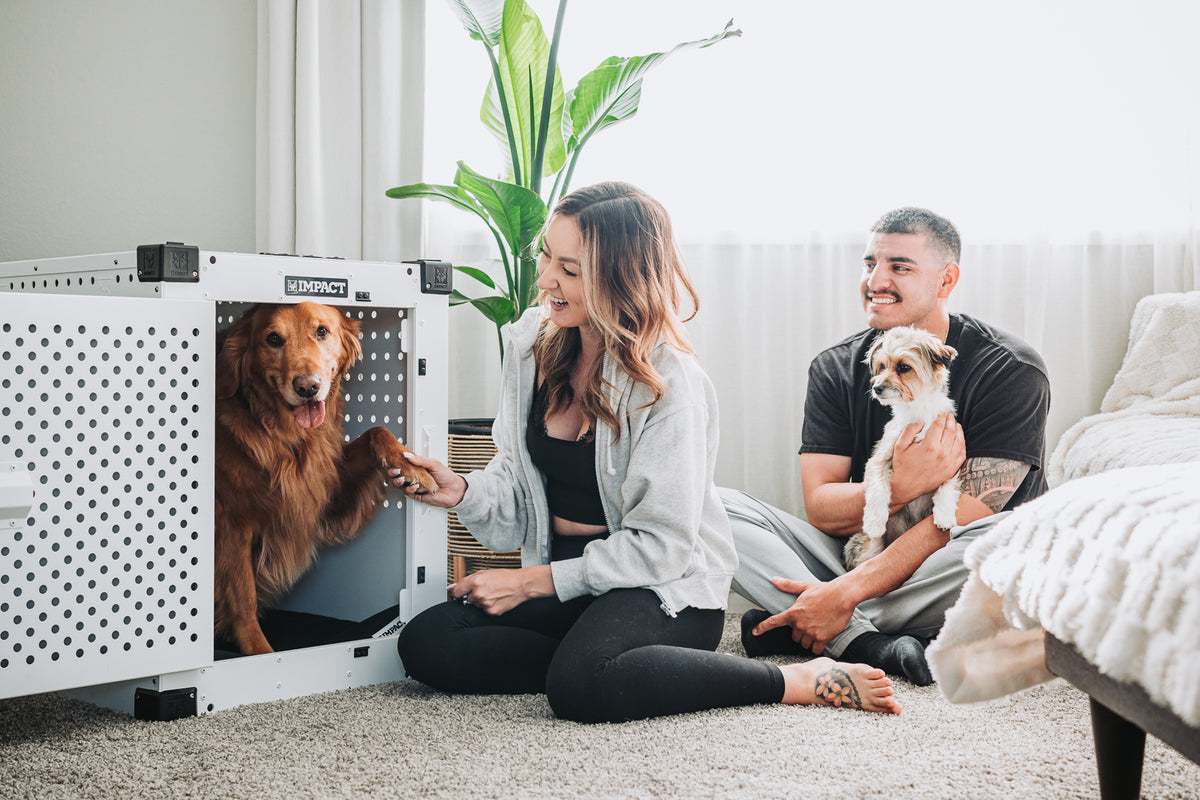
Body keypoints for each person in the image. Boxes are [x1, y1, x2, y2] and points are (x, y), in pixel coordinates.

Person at [392, 181, 900, 722]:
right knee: (428, 643)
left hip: (659, 587)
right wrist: (463, 489)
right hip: (570, 580)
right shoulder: (530, 345)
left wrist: (525, 583)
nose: (545, 281)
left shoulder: (669, 382)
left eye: (570, 269)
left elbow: (662, 548)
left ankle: (789, 679)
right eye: (546, 255)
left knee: (579, 689)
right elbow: (519, 480)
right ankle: (616, 664)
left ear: (619, 278)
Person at [723, 207, 1050, 686]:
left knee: (1028, 541)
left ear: (946, 279)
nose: (875, 280)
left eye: (899, 266)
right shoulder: (834, 367)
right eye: (869, 264)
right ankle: (865, 640)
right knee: (712, 508)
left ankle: (814, 618)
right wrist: (900, 486)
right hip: (861, 548)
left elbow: (964, 516)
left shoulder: (1012, 369)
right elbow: (821, 508)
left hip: (946, 564)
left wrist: (845, 593)